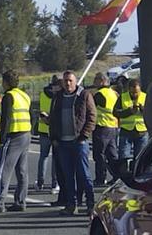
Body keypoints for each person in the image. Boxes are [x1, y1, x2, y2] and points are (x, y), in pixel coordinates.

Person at [49, 71, 96, 216]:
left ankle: (90, 204)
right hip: (63, 143)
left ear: (75, 82)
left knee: (84, 174)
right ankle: (71, 204)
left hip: (79, 142)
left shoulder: (84, 95)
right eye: (65, 81)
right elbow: (53, 118)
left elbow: (92, 116)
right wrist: (54, 138)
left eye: (70, 80)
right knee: (68, 176)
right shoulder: (58, 97)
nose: (68, 83)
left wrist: (84, 135)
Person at [0, 71, 32, 213]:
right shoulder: (24, 95)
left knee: (2, 169)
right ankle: (20, 201)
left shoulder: (8, 97)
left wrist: (2, 138)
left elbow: (6, 119)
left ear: (5, 82)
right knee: (22, 170)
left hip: (13, 134)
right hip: (26, 134)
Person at [90, 73, 118, 187]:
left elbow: (90, 108)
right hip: (113, 126)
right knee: (112, 154)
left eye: (95, 80)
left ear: (101, 81)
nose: (94, 82)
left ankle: (100, 178)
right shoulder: (114, 93)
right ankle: (117, 176)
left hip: (101, 127)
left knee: (99, 154)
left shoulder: (99, 95)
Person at [35, 75, 59, 193]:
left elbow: (41, 109)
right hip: (55, 130)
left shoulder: (43, 93)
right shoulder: (59, 95)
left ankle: (40, 182)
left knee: (43, 157)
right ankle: (55, 184)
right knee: (56, 158)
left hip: (43, 128)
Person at [113, 79, 147, 161]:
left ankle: (138, 173)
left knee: (141, 158)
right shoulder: (123, 97)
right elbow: (115, 112)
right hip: (126, 131)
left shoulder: (146, 96)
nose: (135, 94)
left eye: (137, 92)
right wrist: (128, 112)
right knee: (124, 157)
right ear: (129, 89)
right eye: (132, 92)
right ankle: (124, 172)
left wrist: (144, 110)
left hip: (142, 132)